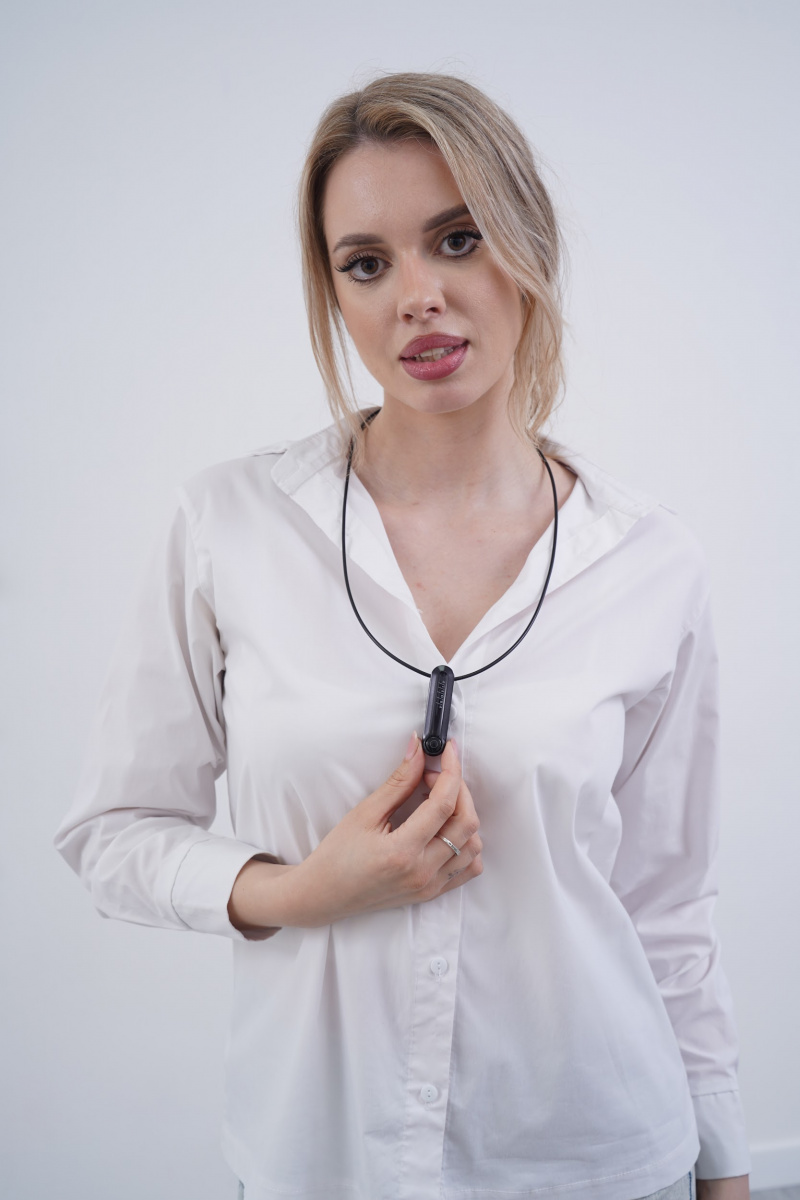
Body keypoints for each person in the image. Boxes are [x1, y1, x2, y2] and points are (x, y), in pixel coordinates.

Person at [54, 72, 751, 1200]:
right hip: (322, 1161)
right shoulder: (229, 524)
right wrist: (301, 891)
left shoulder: (650, 561)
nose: (416, 297)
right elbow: (113, 834)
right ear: (333, 294)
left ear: (527, 248)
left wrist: (722, 1168)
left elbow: (668, 909)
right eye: (366, 264)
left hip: (595, 1159)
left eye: (457, 240)